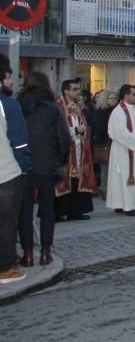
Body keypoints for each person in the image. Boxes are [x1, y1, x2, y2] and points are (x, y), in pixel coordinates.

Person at [17, 72, 71, 267]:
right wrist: (60, 161)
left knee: (25, 210)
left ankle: (28, 253)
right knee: (47, 209)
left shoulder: (20, 107)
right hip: (47, 164)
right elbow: (64, 138)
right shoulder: (53, 109)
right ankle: (46, 251)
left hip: (25, 164)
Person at [0, 56, 31, 285]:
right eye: (9, 77)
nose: (12, 81)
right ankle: (5, 267)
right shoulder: (8, 104)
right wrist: (25, 166)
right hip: (7, 172)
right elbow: (19, 142)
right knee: (6, 221)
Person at [106, 85, 135, 216]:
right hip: (122, 149)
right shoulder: (118, 112)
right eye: (134, 94)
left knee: (128, 176)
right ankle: (125, 206)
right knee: (120, 176)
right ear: (125, 95)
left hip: (134, 149)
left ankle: (125, 203)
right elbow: (118, 132)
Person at [54, 78, 95, 221]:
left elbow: (83, 125)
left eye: (78, 89)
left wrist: (82, 131)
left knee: (77, 179)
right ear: (66, 91)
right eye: (75, 89)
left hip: (79, 148)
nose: (78, 92)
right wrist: (77, 130)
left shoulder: (77, 106)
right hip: (65, 149)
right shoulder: (58, 106)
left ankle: (75, 211)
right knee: (62, 180)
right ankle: (58, 213)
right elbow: (58, 129)